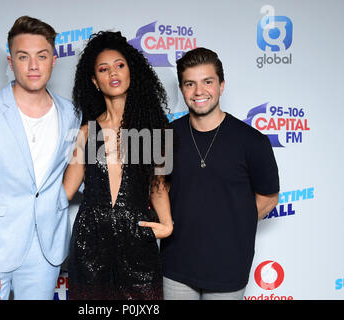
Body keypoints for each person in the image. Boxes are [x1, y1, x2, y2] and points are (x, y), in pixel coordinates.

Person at [0, 16, 81, 300]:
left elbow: (78, 171)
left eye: (42, 56)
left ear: (53, 60)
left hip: (45, 249)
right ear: (11, 62)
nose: (33, 65)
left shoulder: (72, 113)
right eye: (23, 57)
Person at [160, 47, 279, 300]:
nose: (199, 91)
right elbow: (159, 188)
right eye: (190, 84)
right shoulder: (166, 137)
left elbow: (268, 198)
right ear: (182, 89)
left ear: (222, 85)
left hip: (228, 267)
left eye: (208, 82)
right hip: (176, 264)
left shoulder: (252, 142)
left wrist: (232, 224)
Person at [63, 31, 173, 300]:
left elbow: (157, 185)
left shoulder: (156, 130)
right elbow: (65, 191)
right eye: (103, 69)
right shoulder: (86, 132)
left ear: (131, 72)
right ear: (95, 81)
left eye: (119, 65)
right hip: (90, 240)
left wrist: (167, 224)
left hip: (137, 239)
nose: (113, 72)